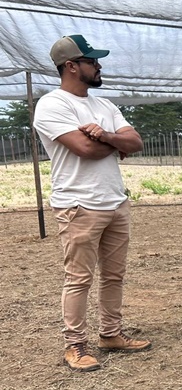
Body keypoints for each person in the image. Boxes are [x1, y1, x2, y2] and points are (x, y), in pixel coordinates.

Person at [33, 34, 151, 372]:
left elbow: (136, 141)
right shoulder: (53, 105)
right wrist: (115, 144)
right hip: (78, 205)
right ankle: (75, 345)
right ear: (71, 66)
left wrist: (106, 136)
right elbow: (83, 150)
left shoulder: (104, 106)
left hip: (115, 202)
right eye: (91, 61)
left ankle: (111, 333)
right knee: (79, 278)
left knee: (114, 275)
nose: (99, 66)